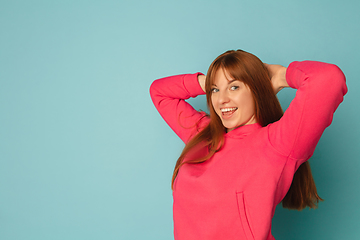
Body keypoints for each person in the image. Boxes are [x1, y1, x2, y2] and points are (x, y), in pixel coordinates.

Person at [149, 50, 347, 240]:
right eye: (215, 90)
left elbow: (329, 78)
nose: (221, 100)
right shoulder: (203, 135)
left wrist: (280, 75)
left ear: (257, 90)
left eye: (234, 87)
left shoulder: (278, 142)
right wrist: (209, 81)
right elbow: (159, 92)